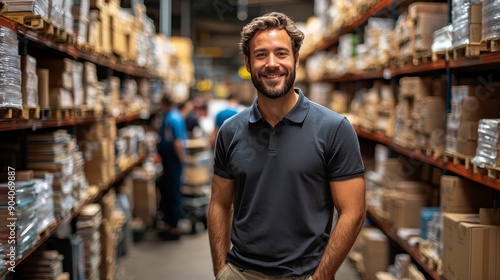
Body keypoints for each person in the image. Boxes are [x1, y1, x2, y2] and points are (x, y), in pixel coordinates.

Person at [208, 12, 366, 280]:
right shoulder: (230, 132)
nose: (272, 64)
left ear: (296, 58)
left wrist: (322, 276)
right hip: (241, 272)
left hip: (304, 275)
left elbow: (353, 211)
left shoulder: (334, 129)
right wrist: (222, 270)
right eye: (261, 55)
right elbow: (219, 204)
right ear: (248, 62)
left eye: (281, 53)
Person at [156, 94, 188, 240]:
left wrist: (183, 160)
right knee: (169, 192)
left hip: (173, 163)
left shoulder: (172, 118)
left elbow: (177, 143)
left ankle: (174, 226)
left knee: (173, 193)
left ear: (164, 103)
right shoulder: (172, 117)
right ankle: (170, 223)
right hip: (169, 163)